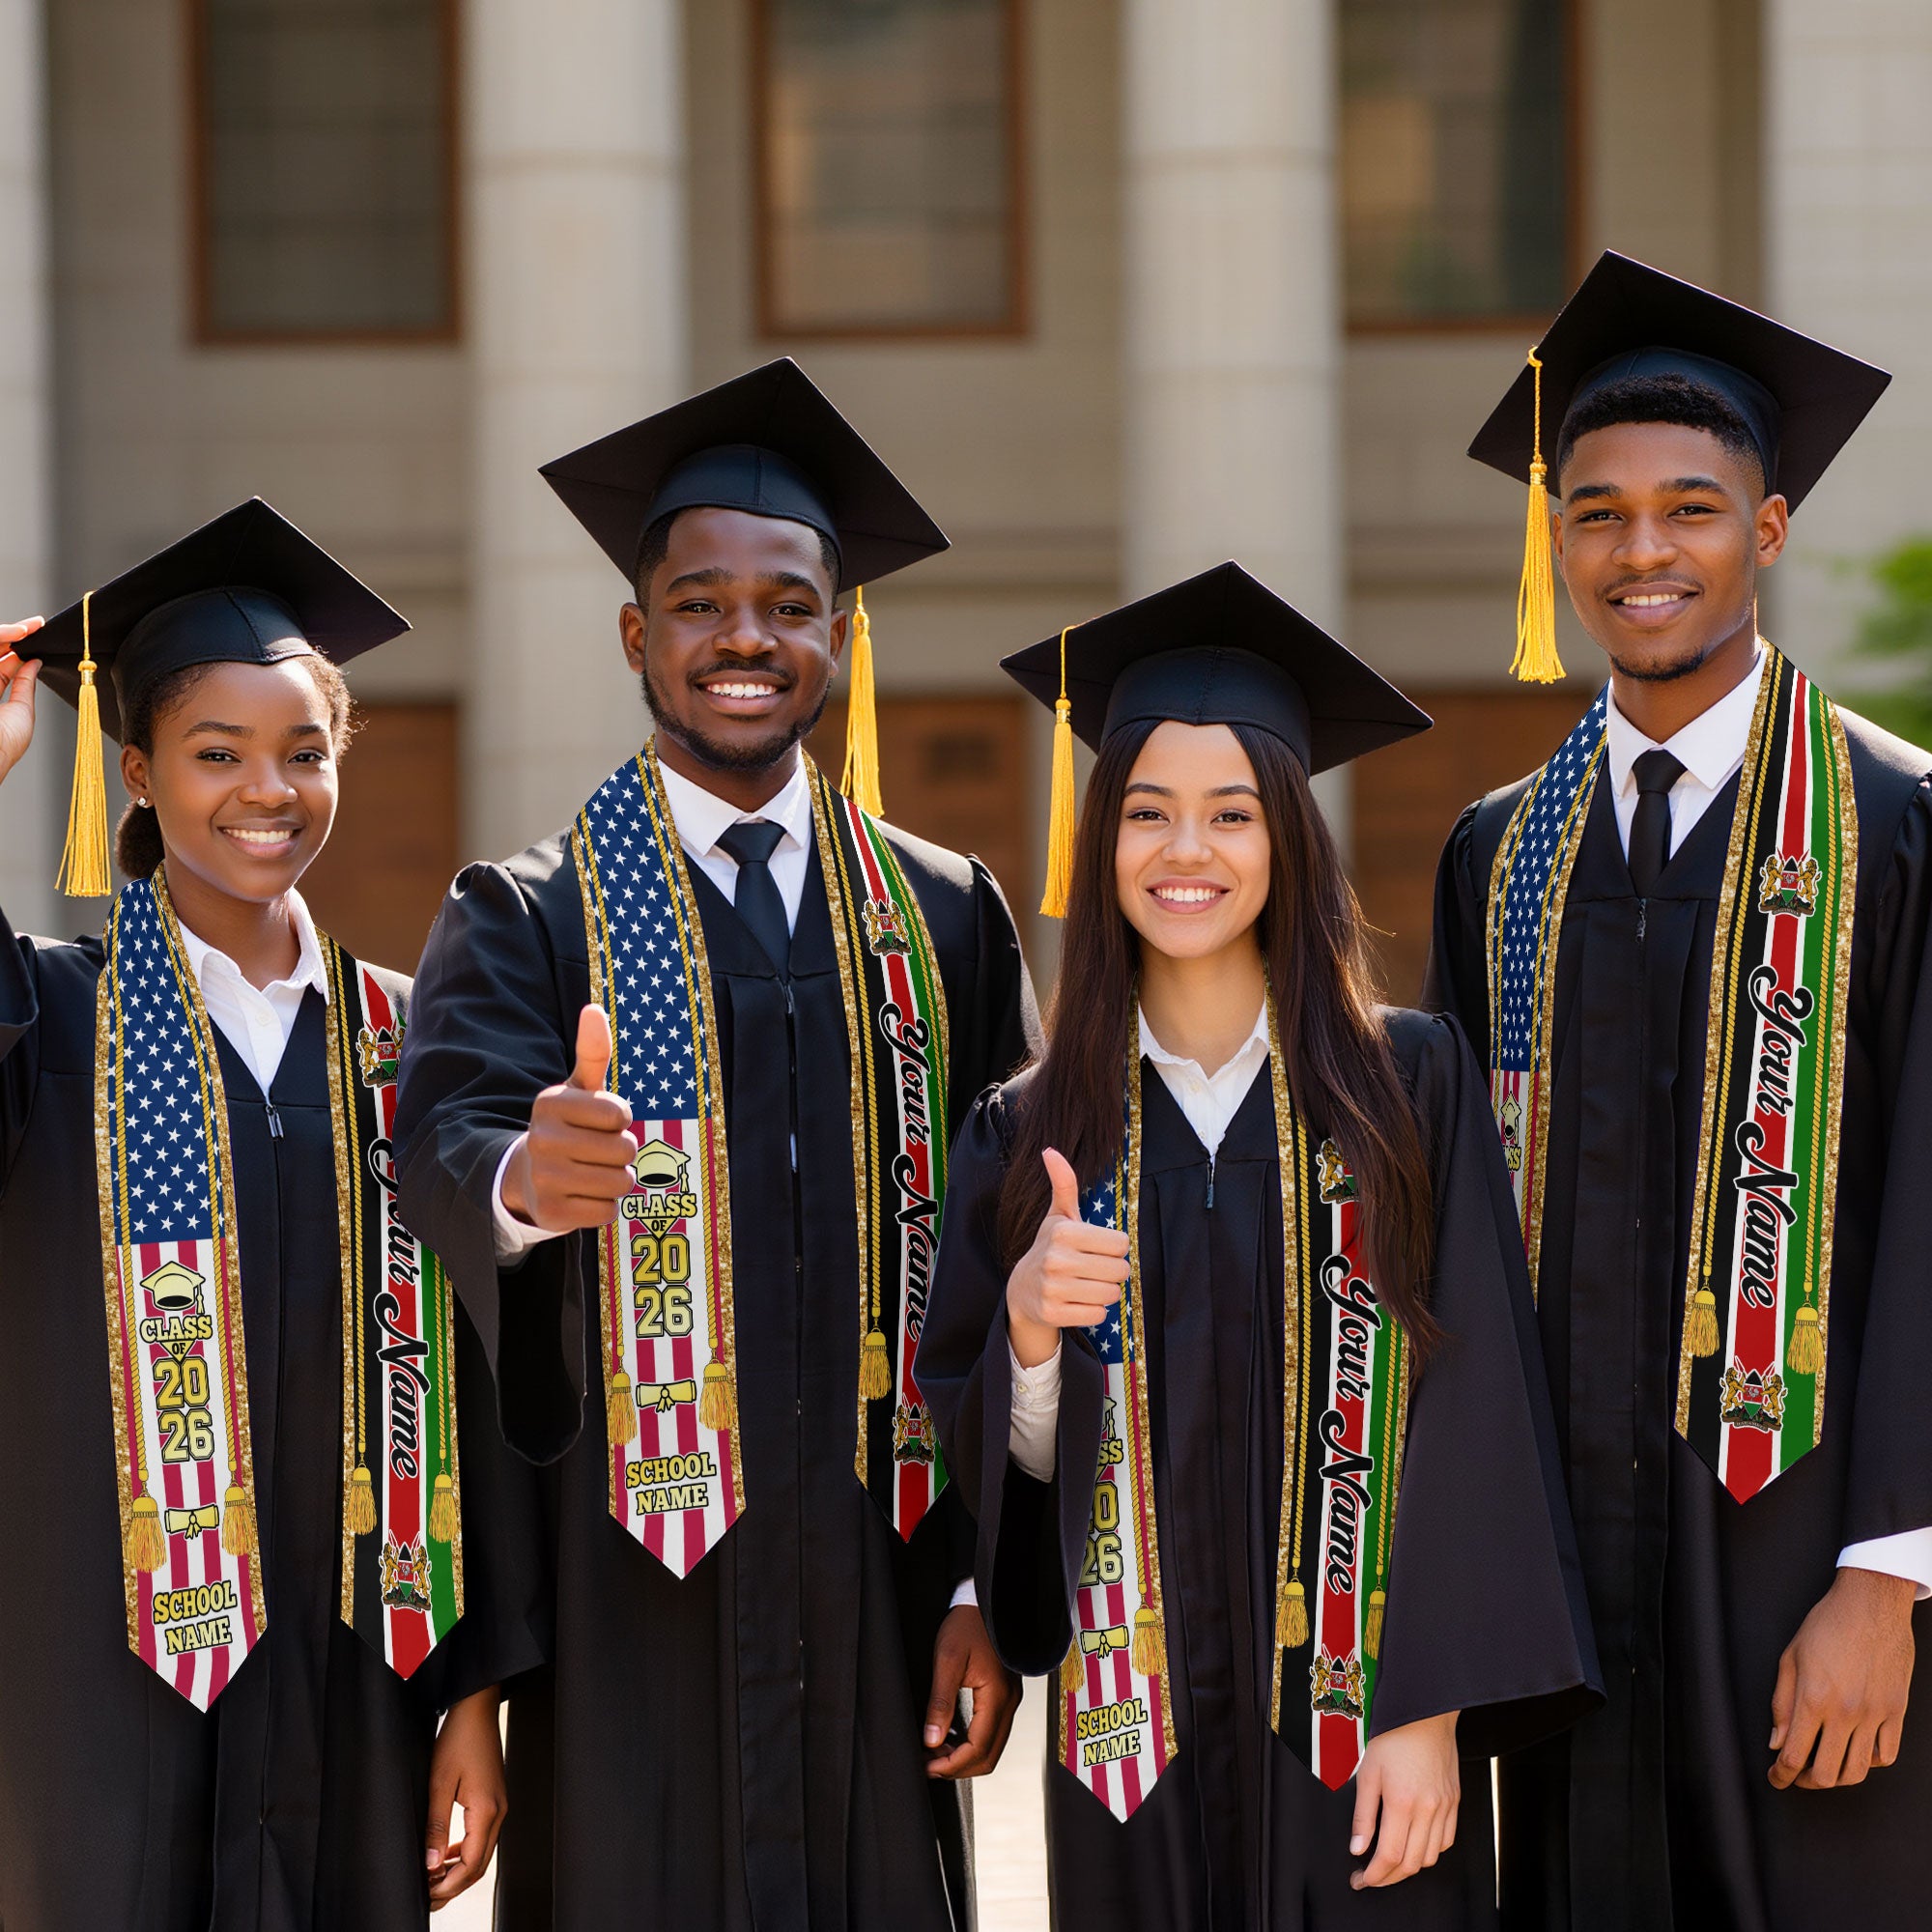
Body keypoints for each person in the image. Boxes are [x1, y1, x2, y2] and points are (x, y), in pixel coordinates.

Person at [391, 358, 1039, 1927]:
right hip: (632, 1607)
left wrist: (982, 1588)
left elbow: (1015, 1252)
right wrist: (523, 1185)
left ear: (839, 633)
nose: (744, 638)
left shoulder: (943, 914)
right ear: (637, 633)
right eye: (697, 603)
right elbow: (438, 1152)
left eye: (788, 603)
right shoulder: (530, 915)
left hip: (884, 1594)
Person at [917, 562, 1599, 1930]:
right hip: (1133, 1749)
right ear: (1100, 841)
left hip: (1365, 1738)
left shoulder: (1411, 1089)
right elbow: (989, 1468)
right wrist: (1034, 1342)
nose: (1188, 853)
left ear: (1288, 838)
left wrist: (1430, 1709)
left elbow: (1479, 1409)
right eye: (1149, 813)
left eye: (1231, 814)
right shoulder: (1031, 1128)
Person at [1427, 250, 1932, 1931]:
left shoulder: (1900, 825)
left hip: (1809, 1560)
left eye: (1692, 508)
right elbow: (1452, 1241)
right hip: (1567, 1575)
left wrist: (1890, 1571)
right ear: (1555, 539)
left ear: (1768, 531)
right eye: (1598, 511)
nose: (1643, 551)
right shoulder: (1500, 855)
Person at [0, 498, 545, 1931]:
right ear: (134, 771)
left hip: (355, 1673)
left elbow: (485, 1390)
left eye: (305, 753)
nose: (268, 790)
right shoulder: (53, 1021)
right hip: (93, 1687)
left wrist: (475, 1699)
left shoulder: (413, 1047)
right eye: (216, 754)